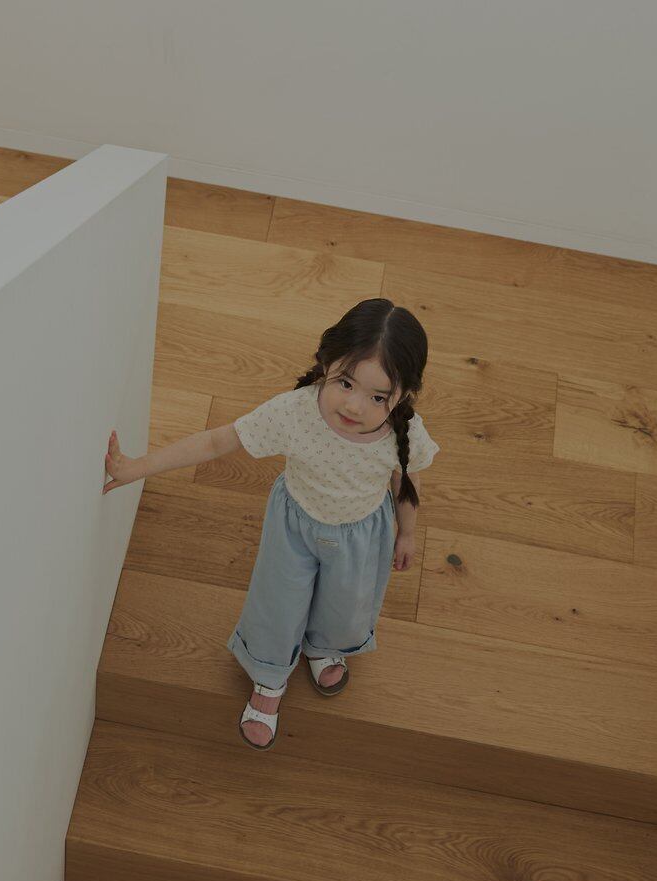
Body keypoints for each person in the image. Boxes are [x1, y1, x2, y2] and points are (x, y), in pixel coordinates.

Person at [103, 297, 438, 751]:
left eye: (378, 397)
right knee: (278, 603)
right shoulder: (294, 412)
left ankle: (324, 647)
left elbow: (405, 480)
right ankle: (268, 676)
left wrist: (408, 532)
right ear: (326, 361)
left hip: (361, 534)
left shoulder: (404, 432)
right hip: (294, 529)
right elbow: (217, 442)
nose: (355, 406)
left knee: (347, 603)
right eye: (345, 382)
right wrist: (137, 468)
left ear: (403, 395)